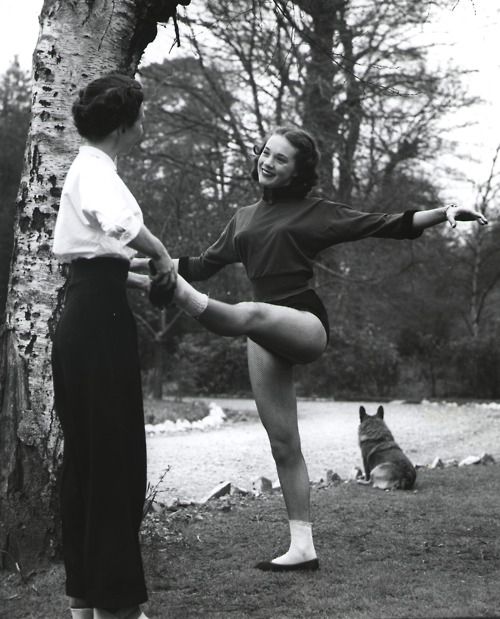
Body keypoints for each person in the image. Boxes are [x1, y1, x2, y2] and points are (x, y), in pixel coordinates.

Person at [147, 126, 487, 572]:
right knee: (283, 444)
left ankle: (183, 300)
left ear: (296, 172)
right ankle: (303, 547)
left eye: (281, 159)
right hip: (263, 331)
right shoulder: (243, 217)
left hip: (304, 322)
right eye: (266, 153)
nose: (268, 161)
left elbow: (386, 224)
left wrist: (445, 213)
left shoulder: (315, 213)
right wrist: (128, 263)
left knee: (249, 313)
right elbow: (197, 265)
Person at [51, 73, 175, 619]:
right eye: (140, 117)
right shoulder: (95, 170)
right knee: (114, 462)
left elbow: (93, 256)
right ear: (124, 126)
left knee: (91, 461)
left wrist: (143, 278)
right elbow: (122, 224)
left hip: (90, 308)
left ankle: (86, 598)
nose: (144, 125)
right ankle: (117, 607)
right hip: (97, 326)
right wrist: (164, 254)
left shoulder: (90, 170)